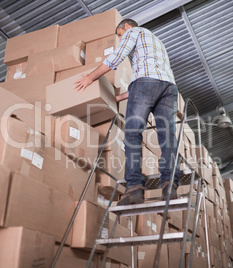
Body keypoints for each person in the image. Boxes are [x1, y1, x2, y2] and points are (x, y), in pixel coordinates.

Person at [74, 19, 180, 206]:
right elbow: (154, 80)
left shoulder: (134, 32)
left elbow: (119, 56)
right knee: (168, 138)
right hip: (169, 89)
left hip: (145, 85)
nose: (121, 38)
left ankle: (134, 188)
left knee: (132, 135)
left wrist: (90, 77)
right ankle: (169, 184)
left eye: (120, 34)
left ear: (127, 27)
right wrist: (120, 97)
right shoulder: (158, 43)